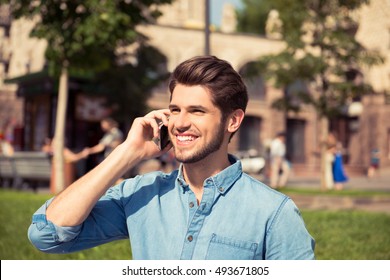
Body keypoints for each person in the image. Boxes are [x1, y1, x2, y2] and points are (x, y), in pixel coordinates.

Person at [28, 56, 315, 260]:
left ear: (233, 121)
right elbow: (47, 234)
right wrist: (127, 153)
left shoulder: (274, 213)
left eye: (197, 111)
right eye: (175, 110)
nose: (179, 123)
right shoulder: (142, 195)